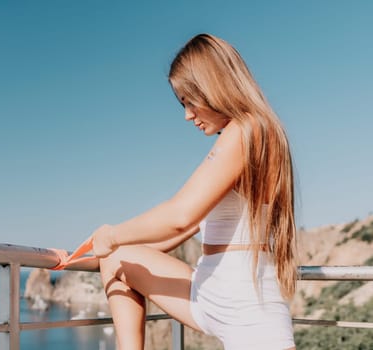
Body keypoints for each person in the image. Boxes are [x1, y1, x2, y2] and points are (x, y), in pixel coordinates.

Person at [90, 33, 297, 350]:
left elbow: (180, 215)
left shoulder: (249, 129)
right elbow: (176, 232)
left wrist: (112, 234)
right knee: (117, 262)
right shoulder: (241, 134)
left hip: (249, 313)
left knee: (117, 249)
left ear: (214, 87)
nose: (187, 115)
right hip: (209, 295)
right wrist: (94, 251)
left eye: (189, 101)